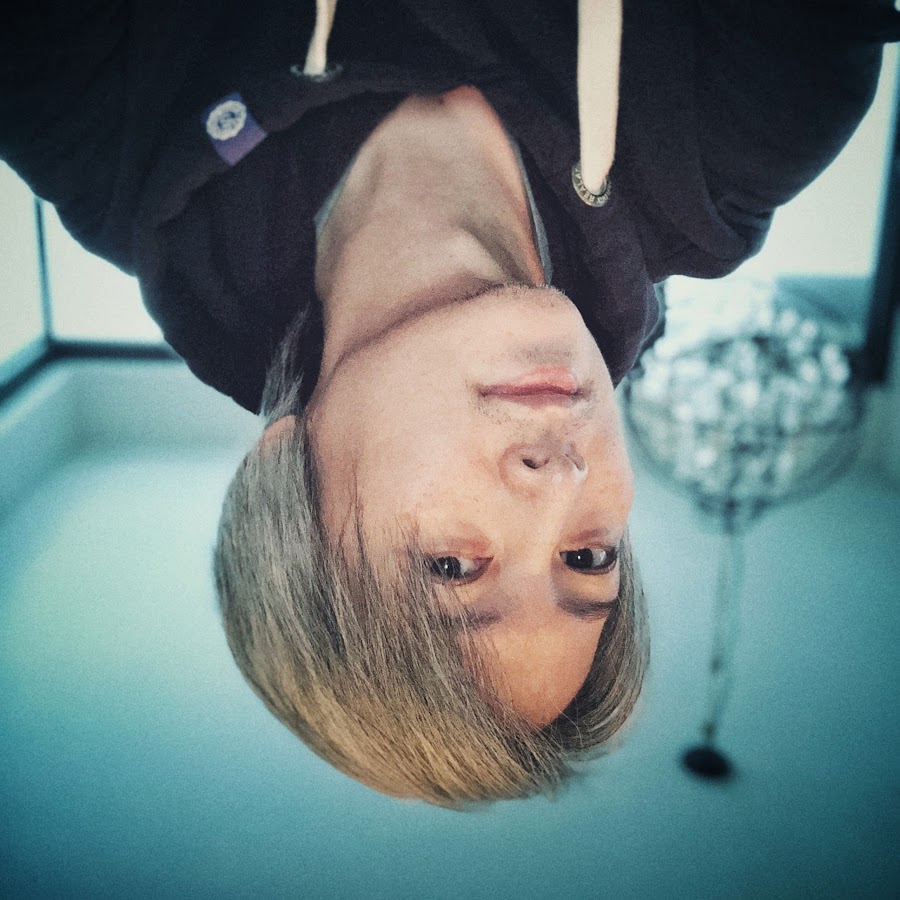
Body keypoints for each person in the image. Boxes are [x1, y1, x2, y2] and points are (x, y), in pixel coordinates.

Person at [2, 1, 897, 806]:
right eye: (587, 556)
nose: (557, 480)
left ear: (288, 473)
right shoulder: (743, 133)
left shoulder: (96, 131)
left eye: (452, 568)